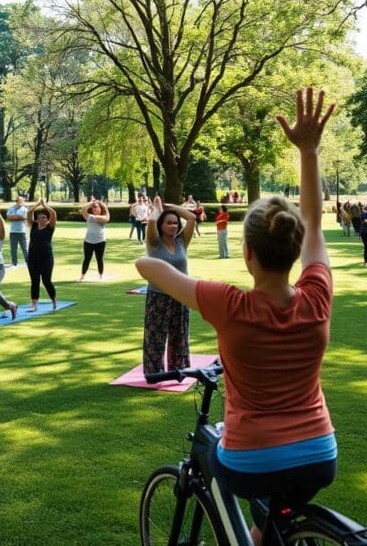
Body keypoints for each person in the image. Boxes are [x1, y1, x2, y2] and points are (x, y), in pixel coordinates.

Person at [135, 87, 337, 545]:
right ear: (293, 250)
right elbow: (315, 223)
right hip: (320, 453)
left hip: (252, 458)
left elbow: (148, 266)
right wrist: (309, 150)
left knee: (214, 452)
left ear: (246, 252)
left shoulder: (230, 305)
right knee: (271, 524)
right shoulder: (317, 294)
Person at [140, 195, 196, 374]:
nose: (173, 226)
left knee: (179, 334)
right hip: (158, 296)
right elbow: (150, 221)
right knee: (155, 336)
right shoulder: (154, 244)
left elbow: (192, 218)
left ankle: (178, 368)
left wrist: (171, 206)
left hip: (181, 295)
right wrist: (157, 207)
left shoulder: (182, 241)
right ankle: (154, 371)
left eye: (175, 223)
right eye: (168, 223)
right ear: (161, 226)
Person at [27, 198, 58, 311]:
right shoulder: (34, 226)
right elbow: (29, 212)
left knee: (46, 281)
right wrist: (37, 204)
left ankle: (54, 300)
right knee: (34, 281)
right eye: (40, 217)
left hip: (46, 258)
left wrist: (44, 205)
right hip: (32, 257)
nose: (41, 219)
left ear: (47, 219)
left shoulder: (50, 227)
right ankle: (34, 305)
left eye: (44, 217)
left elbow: (53, 213)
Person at [79, 199, 110, 281]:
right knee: (87, 259)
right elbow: (83, 209)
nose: (96, 210)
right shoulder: (89, 216)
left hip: (100, 241)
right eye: (94, 209)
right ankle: (82, 276)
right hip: (88, 241)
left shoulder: (102, 217)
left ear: (100, 210)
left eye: (97, 208)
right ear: (92, 210)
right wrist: (91, 203)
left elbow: (107, 218)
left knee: (99, 259)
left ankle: (101, 276)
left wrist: (104, 206)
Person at [6, 196, 29, 267]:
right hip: (13, 232)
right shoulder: (11, 209)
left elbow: (24, 217)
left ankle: (28, 262)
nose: (22, 202)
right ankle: (14, 263)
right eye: (20, 201)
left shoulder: (25, 209)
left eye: (22, 201)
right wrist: (19, 217)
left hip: (22, 231)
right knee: (13, 248)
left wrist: (15, 217)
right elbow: (9, 217)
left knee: (25, 248)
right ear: (17, 201)